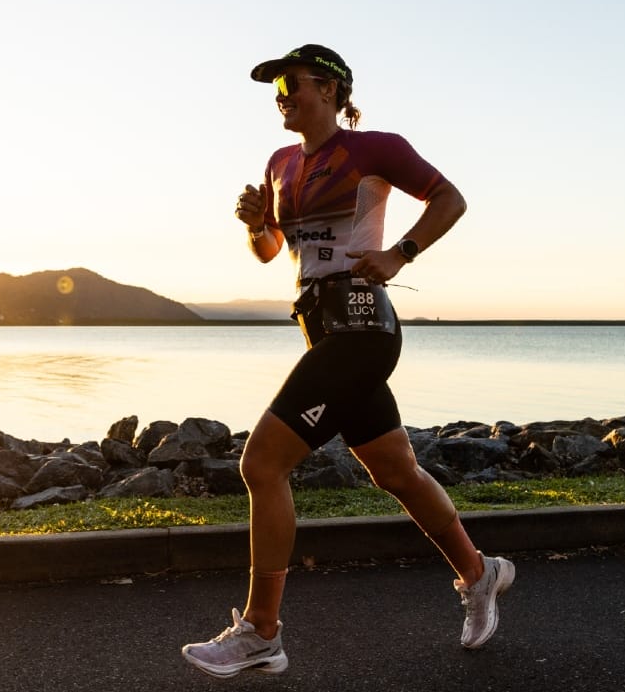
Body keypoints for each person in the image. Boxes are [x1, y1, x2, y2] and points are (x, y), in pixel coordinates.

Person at [180, 43, 515, 678]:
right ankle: (481, 572)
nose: (283, 97)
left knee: (262, 463)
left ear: (331, 90)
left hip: (362, 324)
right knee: (395, 470)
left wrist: (401, 254)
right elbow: (275, 250)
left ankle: (261, 632)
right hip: (317, 325)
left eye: (293, 84)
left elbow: (450, 199)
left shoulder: (375, 149)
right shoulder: (279, 162)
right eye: (277, 90)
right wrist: (257, 225)